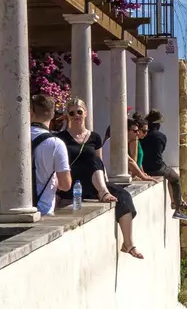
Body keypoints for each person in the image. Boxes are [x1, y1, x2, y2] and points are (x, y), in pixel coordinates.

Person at [57, 99, 144, 259]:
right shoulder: (61, 138)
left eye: (79, 112)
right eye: (72, 113)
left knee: (124, 196)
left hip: (93, 182)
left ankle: (129, 244)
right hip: (73, 182)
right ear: (67, 116)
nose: (76, 116)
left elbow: (99, 163)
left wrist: (104, 184)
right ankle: (103, 192)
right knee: (93, 161)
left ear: (86, 113)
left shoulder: (95, 137)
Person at [139, 111, 187, 220]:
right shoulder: (161, 136)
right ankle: (177, 209)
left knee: (170, 174)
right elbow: (161, 151)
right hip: (157, 168)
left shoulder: (142, 135)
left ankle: (176, 202)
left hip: (143, 167)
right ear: (157, 124)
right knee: (175, 178)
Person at [30, 94, 72, 217]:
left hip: (11, 211)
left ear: (31, 113)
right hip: (43, 210)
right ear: (53, 114)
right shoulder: (56, 144)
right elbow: (65, 185)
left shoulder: (13, 139)